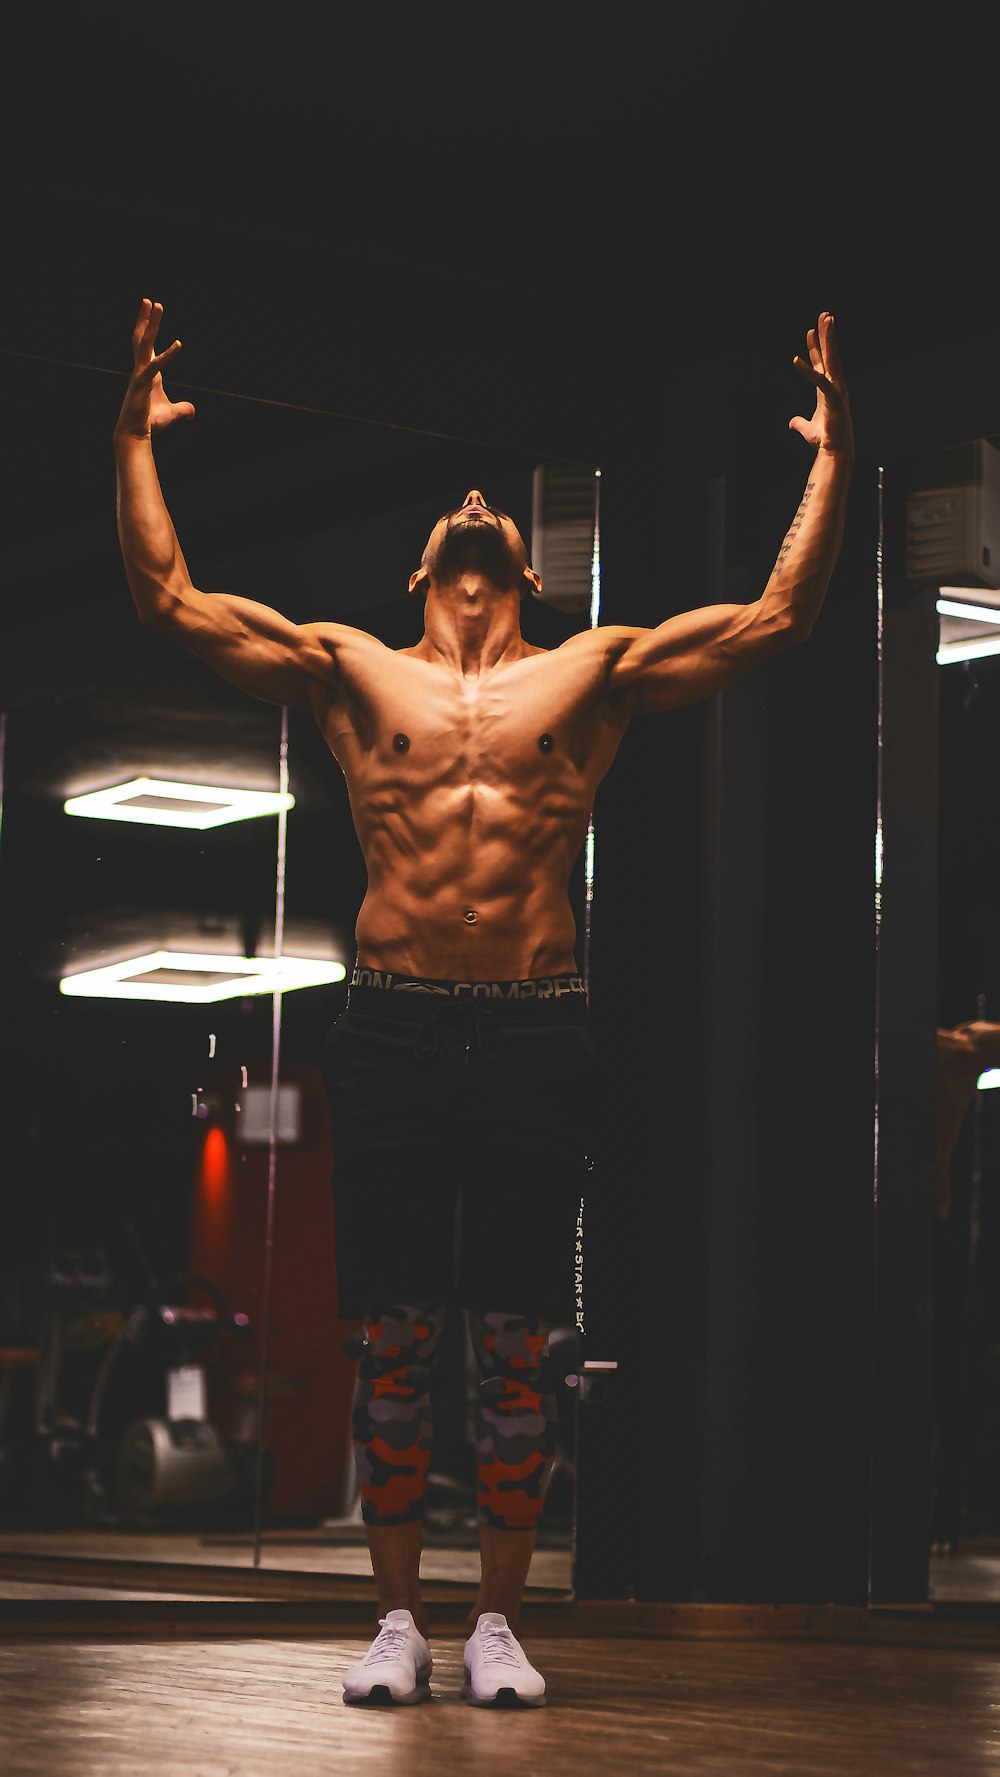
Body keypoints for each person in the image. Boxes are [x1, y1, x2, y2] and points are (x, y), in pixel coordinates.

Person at [113, 298, 854, 1707]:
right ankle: (397, 1619)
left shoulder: (594, 671)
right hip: (389, 1028)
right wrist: (133, 439)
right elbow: (172, 599)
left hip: (532, 1027)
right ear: (418, 566)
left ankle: (499, 1623)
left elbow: (778, 616)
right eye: (450, 505)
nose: (469, 502)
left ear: (520, 557)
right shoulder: (351, 667)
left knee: (519, 1343)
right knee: (392, 1338)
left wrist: (831, 461)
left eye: (490, 504)